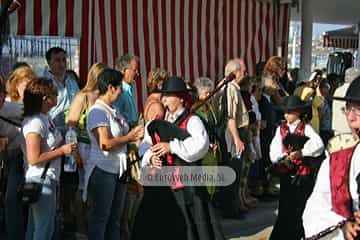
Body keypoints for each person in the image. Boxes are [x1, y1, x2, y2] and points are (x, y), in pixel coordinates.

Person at [132, 76, 224, 240]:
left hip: (186, 184)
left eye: (169, 95)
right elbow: (145, 146)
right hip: (161, 185)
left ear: (181, 98)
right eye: (163, 95)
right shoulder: (155, 123)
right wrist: (150, 157)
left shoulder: (192, 121)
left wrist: (172, 146)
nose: (164, 99)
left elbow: (200, 146)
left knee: (190, 228)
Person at [85, 69, 144, 240]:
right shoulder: (98, 111)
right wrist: (130, 137)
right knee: (101, 218)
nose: (121, 93)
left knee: (115, 219)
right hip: (103, 169)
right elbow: (105, 143)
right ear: (111, 88)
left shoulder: (112, 110)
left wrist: (134, 137)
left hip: (118, 169)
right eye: (120, 88)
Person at [303, 76, 360, 240]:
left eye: (357, 110)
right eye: (348, 109)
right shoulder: (335, 162)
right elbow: (314, 210)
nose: (350, 117)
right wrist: (342, 225)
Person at [21, 78, 77, 240]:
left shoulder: (45, 118)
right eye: (54, 92)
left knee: (37, 228)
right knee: (44, 230)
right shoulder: (35, 123)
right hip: (40, 179)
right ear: (45, 98)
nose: (57, 95)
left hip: (48, 178)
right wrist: (62, 150)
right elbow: (34, 158)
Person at [269, 95, 324, 240]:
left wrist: (301, 153)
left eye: (290, 111)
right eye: (285, 112)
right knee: (285, 207)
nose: (286, 115)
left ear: (299, 112)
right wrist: (281, 158)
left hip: (303, 175)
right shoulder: (280, 129)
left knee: (301, 207)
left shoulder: (306, 128)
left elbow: (319, 145)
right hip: (287, 175)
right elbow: (273, 150)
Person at [66, 62, 108, 234]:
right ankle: (81, 227)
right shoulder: (82, 96)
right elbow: (71, 127)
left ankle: (93, 226)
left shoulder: (105, 95)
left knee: (96, 188)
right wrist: (75, 154)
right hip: (84, 147)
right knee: (83, 187)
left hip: (100, 148)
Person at [2, 65, 36, 240]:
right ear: (15, 84)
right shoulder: (7, 103)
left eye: (32, 85)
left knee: (17, 199)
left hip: (22, 156)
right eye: (26, 84)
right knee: (12, 199)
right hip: (10, 156)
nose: (29, 88)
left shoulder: (28, 104)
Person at [216, 58, 250, 218]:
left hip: (233, 132)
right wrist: (237, 139)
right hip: (232, 133)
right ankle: (230, 208)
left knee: (233, 170)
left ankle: (231, 205)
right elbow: (230, 117)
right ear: (234, 73)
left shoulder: (231, 87)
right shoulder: (230, 88)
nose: (245, 73)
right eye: (243, 71)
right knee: (233, 169)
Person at [42, 47, 80, 134]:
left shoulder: (72, 82)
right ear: (49, 62)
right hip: (53, 133)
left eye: (64, 60)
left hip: (73, 131)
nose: (62, 64)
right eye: (57, 60)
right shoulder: (44, 84)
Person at [113, 54, 140, 127]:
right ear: (124, 70)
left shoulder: (127, 90)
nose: (137, 73)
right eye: (134, 70)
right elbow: (115, 118)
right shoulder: (119, 92)